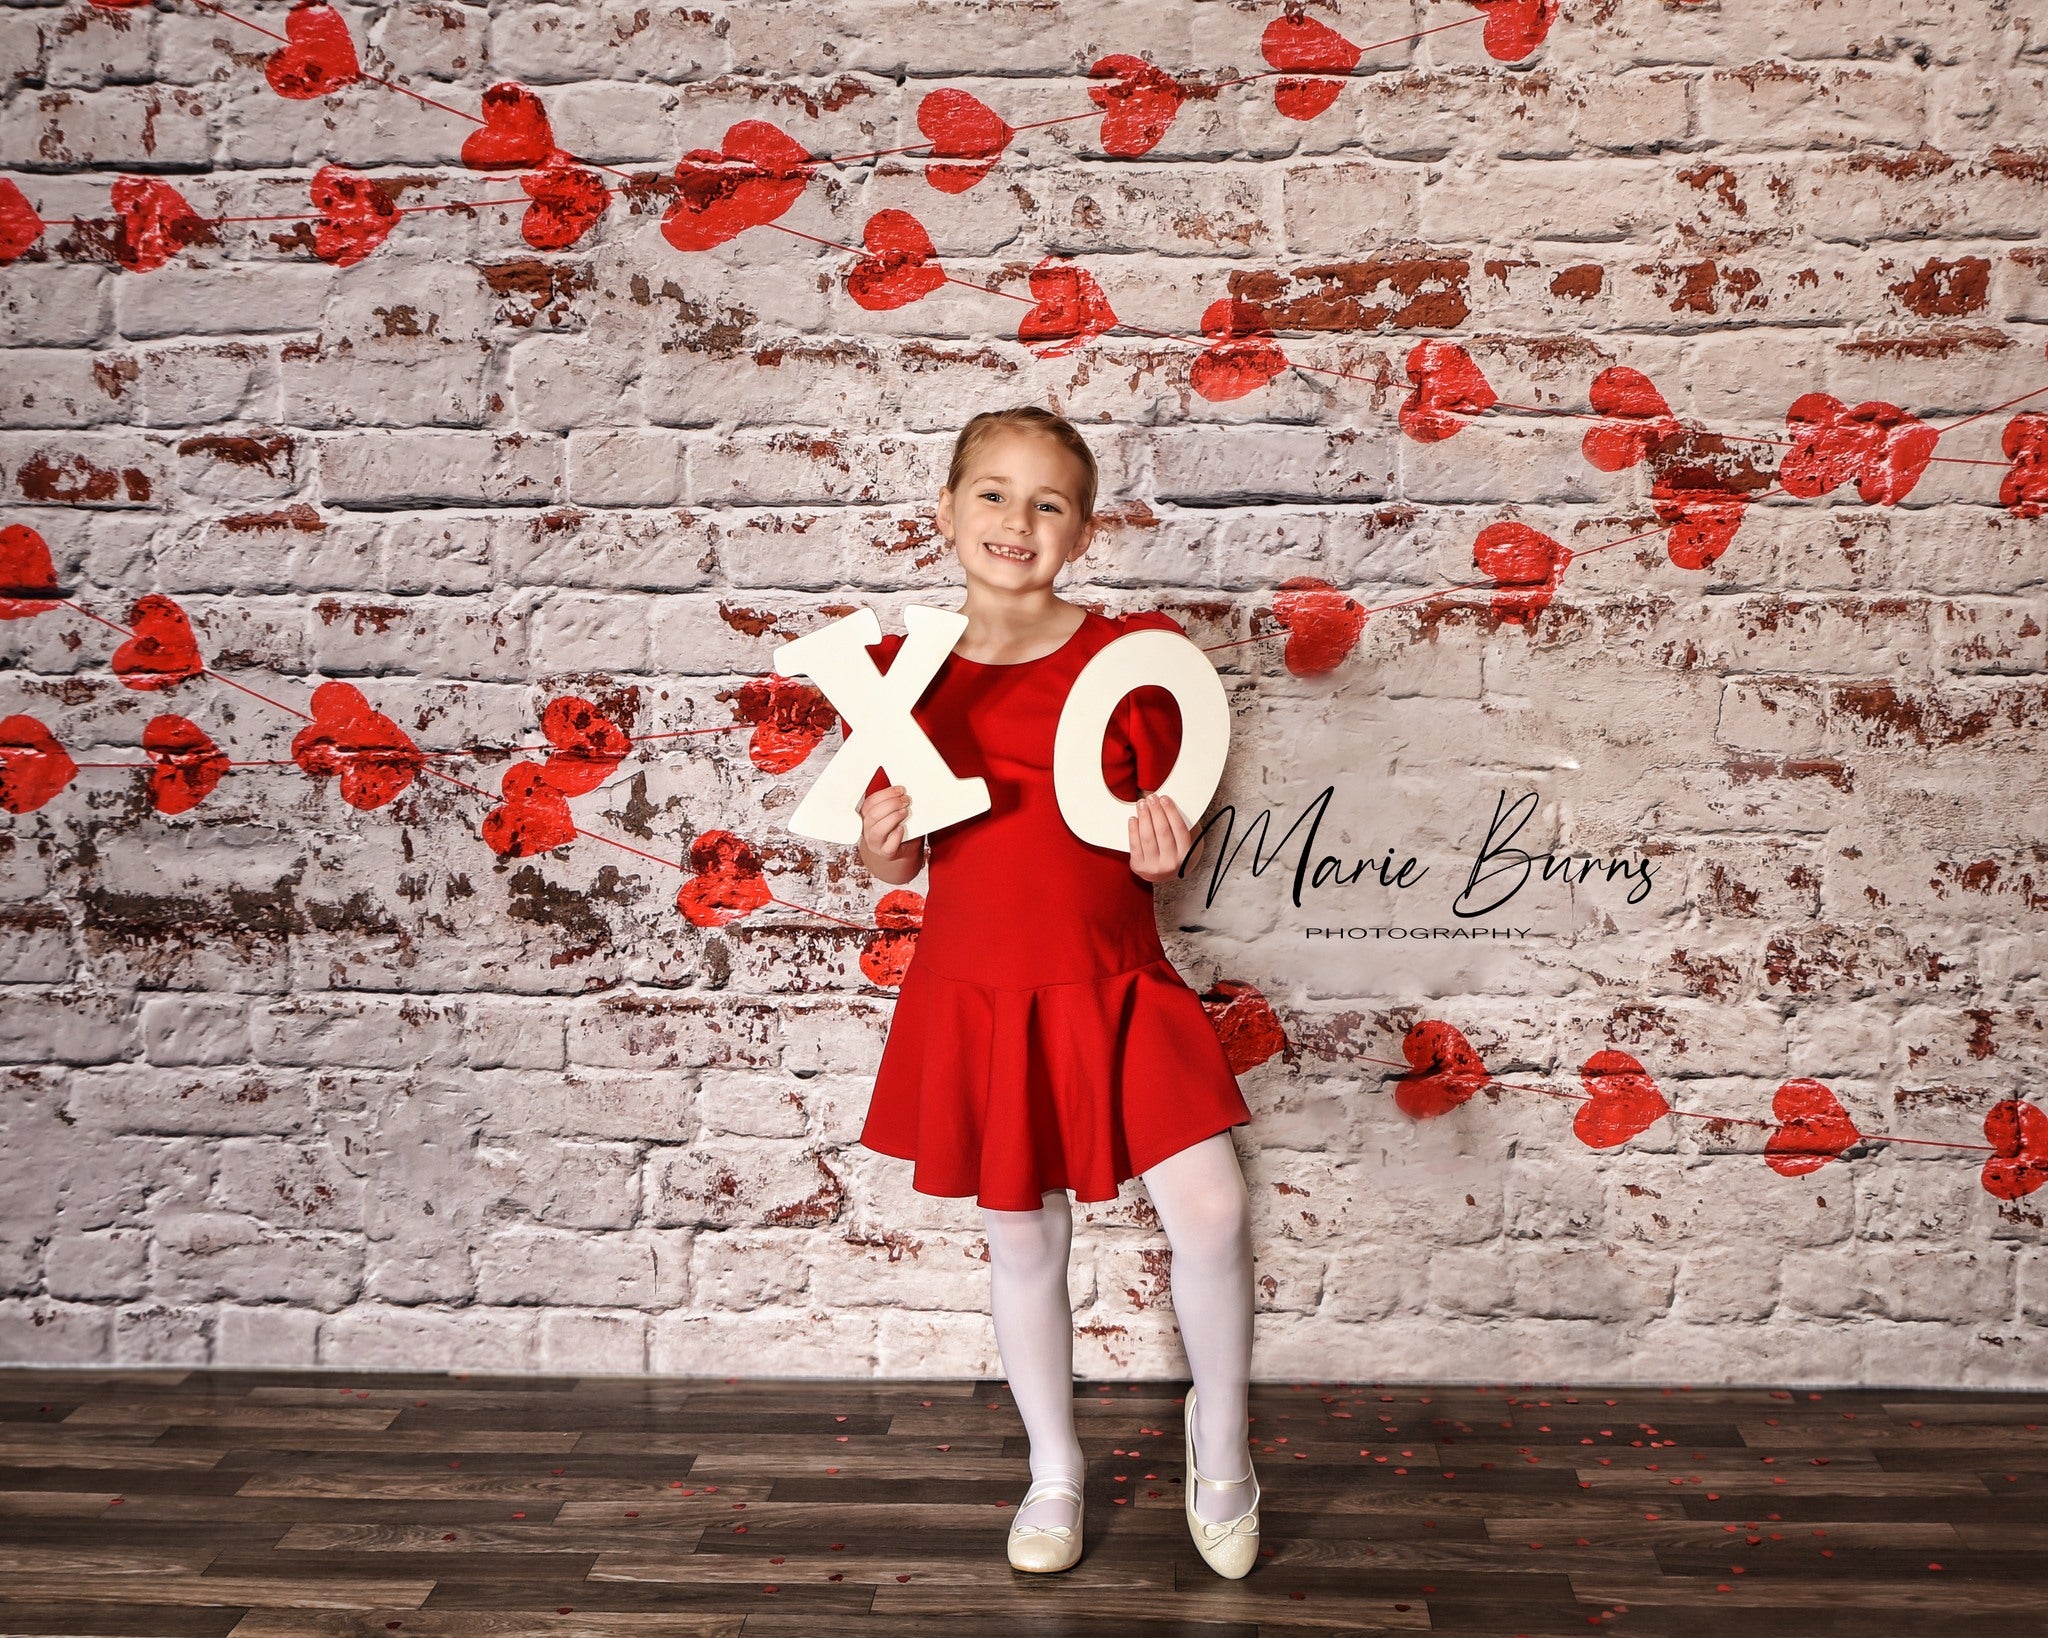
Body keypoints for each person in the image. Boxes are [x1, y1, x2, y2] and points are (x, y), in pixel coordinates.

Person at [851, 404, 1262, 1579]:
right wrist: (882, 846)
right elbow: (900, 856)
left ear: (1081, 532)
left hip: (1114, 978)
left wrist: (1157, 858)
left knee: (1213, 1214)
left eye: (1046, 503)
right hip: (981, 992)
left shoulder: (1129, 663)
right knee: (1023, 1242)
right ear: (944, 512)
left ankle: (1221, 1446)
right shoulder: (905, 678)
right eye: (991, 494)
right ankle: (1052, 1472)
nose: (1014, 521)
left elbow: (1155, 835)